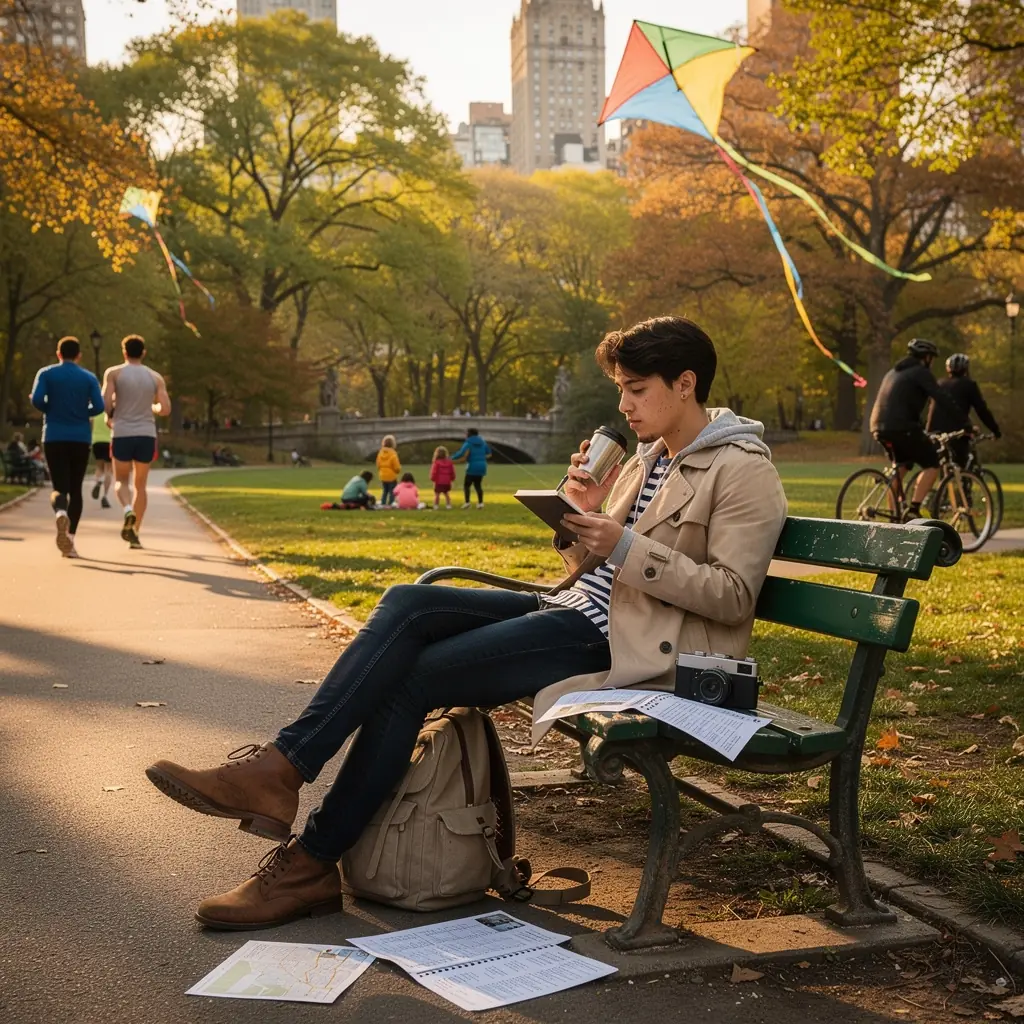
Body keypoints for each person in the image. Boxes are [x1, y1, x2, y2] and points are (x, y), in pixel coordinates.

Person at [144, 315, 788, 930]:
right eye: (620, 389)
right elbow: (594, 566)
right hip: (573, 611)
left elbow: (732, 596)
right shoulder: (651, 458)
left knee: (410, 679)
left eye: (636, 390)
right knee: (407, 602)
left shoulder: (743, 470)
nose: (623, 406)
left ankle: (306, 857)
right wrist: (580, 516)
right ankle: (281, 773)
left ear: (686, 384)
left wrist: (620, 544)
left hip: (628, 642)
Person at [869, 338, 963, 520]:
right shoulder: (920, 372)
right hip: (902, 427)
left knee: (901, 466)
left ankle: (894, 516)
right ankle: (913, 509)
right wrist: (965, 423)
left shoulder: (893, 372)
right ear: (927, 358)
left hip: (878, 427)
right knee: (932, 464)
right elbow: (940, 397)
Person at [29, 337, 105, 557]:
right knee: (76, 489)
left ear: (58, 353)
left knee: (59, 488)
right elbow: (99, 407)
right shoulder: (89, 378)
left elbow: (36, 400)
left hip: (53, 435)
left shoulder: (46, 374)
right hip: (80, 438)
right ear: (79, 355)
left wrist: (49, 408)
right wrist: (83, 412)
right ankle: (70, 540)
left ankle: (60, 511)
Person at [102, 335, 171, 549]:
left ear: (124, 352)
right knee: (140, 485)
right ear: (143, 353)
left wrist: (111, 415)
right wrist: (153, 408)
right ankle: (135, 532)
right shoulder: (155, 377)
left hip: (122, 432)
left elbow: (105, 404)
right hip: (146, 434)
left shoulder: (113, 373)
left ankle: (127, 510)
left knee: (121, 480)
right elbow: (165, 409)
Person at [926, 353, 1002, 467]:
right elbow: (981, 410)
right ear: (966, 369)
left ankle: (945, 483)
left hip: (934, 432)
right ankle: (962, 482)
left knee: (944, 467)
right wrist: (995, 430)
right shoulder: (969, 385)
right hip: (957, 433)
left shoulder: (939, 384)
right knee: (960, 468)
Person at [452, 427, 492, 508]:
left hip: (472, 466)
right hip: (482, 466)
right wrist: (481, 458)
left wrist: (450, 458)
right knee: (478, 485)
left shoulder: (468, 443)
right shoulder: (483, 442)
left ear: (469, 434)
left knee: (467, 485)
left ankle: (467, 502)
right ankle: (480, 503)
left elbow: (461, 453)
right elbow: (489, 454)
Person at [90, 412, 113, 509]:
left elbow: (90, 424)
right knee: (108, 469)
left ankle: (98, 480)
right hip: (109, 441)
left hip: (96, 441)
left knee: (99, 467)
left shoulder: (95, 412)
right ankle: (105, 496)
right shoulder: (110, 412)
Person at [375, 434, 401, 507]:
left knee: (385, 491)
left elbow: (378, 464)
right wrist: (398, 470)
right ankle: (391, 503)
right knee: (392, 491)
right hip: (391, 476)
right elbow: (396, 466)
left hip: (382, 475)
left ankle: (383, 502)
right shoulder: (393, 453)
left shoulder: (380, 453)